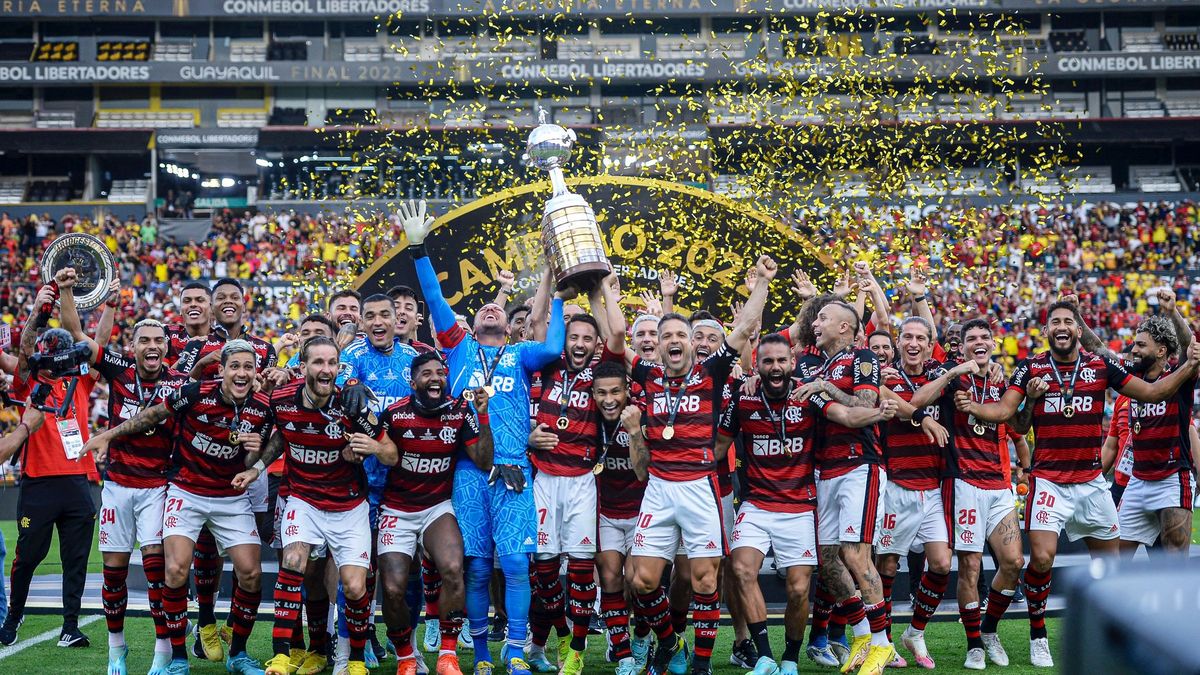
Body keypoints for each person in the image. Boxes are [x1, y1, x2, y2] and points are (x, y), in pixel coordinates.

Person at [958, 301, 1200, 668]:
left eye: (1068, 321)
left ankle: (1110, 635)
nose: (1061, 326)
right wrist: (975, 408)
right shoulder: (1030, 367)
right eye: (1054, 321)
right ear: (1046, 330)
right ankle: (1037, 635)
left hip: (1091, 483)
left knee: (1111, 568)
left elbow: (1152, 393)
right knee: (1040, 558)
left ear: (1077, 329)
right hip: (1049, 481)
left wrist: (1190, 367)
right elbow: (1012, 417)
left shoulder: (1100, 365)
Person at [404, 198, 566, 675]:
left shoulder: (520, 355)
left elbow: (555, 344)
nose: (492, 308)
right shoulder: (456, 349)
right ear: (471, 325)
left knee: (516, 565)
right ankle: (478, 653)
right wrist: (418, 250)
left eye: (498, 307)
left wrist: (559, 292)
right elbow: (434, 301)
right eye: (484, 308)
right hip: (470, 472)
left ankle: (515, 651)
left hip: (515, 470)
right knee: (476, 568)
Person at [85, 340, 275, 675]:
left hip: (230, 496)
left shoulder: (262, 407)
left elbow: (248, 460)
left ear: (255, 372)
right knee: (174, 571)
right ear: (222, 370)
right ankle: (177, 658)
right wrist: (108, 436)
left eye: (248, 367)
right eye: (235, 366)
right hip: (186, 492)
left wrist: (253, 454)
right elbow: (152, 415)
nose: (241, 373)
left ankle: (239, 655)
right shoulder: (195, 393)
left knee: (251, 573)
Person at [626, 255, 774, 675]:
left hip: (700, 486)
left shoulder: (711, 371)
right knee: (643, 581)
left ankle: (701, 666)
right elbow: (615, 339)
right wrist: (604, 294)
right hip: (658, 485)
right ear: (657, 343)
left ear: (692, 343)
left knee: (705, 581)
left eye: (680, 334)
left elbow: (744, 329)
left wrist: (761, 281)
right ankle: (672, 645)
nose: (672, 339)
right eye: (664, 334)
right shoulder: (648, 375)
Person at [720, 333, 901, 675]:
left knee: (803, 587)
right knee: (742, 569)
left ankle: (794, 658)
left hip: (802, 505)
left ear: (792, 362)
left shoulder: (808, 394)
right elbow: (718, 445)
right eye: (767, 362)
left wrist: (878, 413)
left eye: (781, 361)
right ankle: (764, 657)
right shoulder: (742, 398)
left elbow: (847, 416)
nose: (775, 368)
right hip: (757, 504)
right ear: (756, 365)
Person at [354, 352, 494, 675]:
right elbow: (379, 451)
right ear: (413, 381)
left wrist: (483, 416)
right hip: (397, 509)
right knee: (391, 589)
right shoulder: (395, 413)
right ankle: (406, 657)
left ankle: (448, 655)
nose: (435, 378)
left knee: (453, 568)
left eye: (440, 373)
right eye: (427, 374)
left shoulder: (461, 411)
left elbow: (485, 461)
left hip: (437, 507)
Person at [247, 336, 377, 675]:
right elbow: (281, 436)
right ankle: (281, 656)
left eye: (332, 363)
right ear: (302, 367)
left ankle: (357, 661)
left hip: (348, 506)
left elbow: (386, 448)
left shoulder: (350, 403)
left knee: (354, 586)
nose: (326, 369)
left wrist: (364, 448)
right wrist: (257, 468)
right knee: (292, 562)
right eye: (318, 363)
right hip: (304, 499)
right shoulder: (281, 399)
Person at [525, 276, 625, 674]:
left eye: (587, 338)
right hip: (544, 481)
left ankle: (578, 650)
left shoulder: (604, 371)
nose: (580, 344)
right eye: (574, 337)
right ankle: (561, 635)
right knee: (545, 573)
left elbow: (617, 331)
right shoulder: (548, 365)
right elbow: (536, 323)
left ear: (595, 345)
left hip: (584, 482)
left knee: (583, 570)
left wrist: (600, 290)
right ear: (564, 340)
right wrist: (551, 278)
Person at [81, 316, 189, 675]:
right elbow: (77, 333)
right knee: (114, 574)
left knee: (158, 575)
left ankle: (162, 649)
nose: (153, 346)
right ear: (133, 346)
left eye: (159, 340)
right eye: (145, 340)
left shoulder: (178, 384)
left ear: (167, 346)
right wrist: (65, 290)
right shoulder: (120, 371)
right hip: (116, 486)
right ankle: (117, 649)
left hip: (157, 487)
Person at [0, 272, 101, 649]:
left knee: (75, 560)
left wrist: (78, 295)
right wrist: (39, 313)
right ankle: (13, 617)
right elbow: (24, 349)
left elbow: (86, 341)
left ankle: (70, 626)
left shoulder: (80, 379)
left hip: (76, 481)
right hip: (38, 481)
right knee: (28, 557)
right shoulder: (26, 382)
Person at [792, 300, 894, 675]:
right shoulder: (821, 366)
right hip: (827, 470)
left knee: (855, 555)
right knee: (829, 561)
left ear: (845, 328)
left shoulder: (862, 357)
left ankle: (883, 646)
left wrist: (825, 388)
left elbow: (864, 405)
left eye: (823, 318)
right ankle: (864, 636)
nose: (815, 323)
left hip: (859, 466)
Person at [586, 361, 649, 675]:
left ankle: (640, 636)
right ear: (593, 394)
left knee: (639, 582)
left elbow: (642, 472)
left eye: (615, 391)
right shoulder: (587, 418)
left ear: (627, 391)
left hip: (641, 512)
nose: (609, 399)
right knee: (610, 580)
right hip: (606, 513)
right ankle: (623, 654)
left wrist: (634, 431)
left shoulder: (640, 416)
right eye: (601, 393)